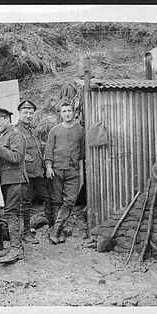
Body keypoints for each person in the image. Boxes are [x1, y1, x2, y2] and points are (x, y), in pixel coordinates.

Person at [0, 108, 28, 264]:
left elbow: (17, 157)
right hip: (6, 180)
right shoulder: (4, 135)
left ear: (7, 119)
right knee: (12, 213)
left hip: (15, 180)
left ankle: (16, 249)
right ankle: (16, 246)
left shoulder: (16, 134)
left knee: (12, 213)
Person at [45, 101, 85, 244]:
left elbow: (83, 151)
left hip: (73, 171)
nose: (67, 114)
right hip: (56, 171)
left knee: (69, 201)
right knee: (57, 200)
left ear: (74, 112)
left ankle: (55, 230)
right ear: (60, 114)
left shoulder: (80, 130)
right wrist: (49, 166)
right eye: (64, 111)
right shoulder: (54, 130)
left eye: (69, 111)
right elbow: (49, 150)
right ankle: (59, 232)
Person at [15, 100, 53, 244]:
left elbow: (37, 148)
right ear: (19, 113)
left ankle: (52, 228)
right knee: (25, 203)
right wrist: (23, 156)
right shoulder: (16, 130)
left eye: (31, 113)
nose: (29, 115)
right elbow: (12, 149)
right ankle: (25, 233)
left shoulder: (32, 130)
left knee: (49, 198)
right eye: (26, 112)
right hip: (25, 174)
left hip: (38, 173)